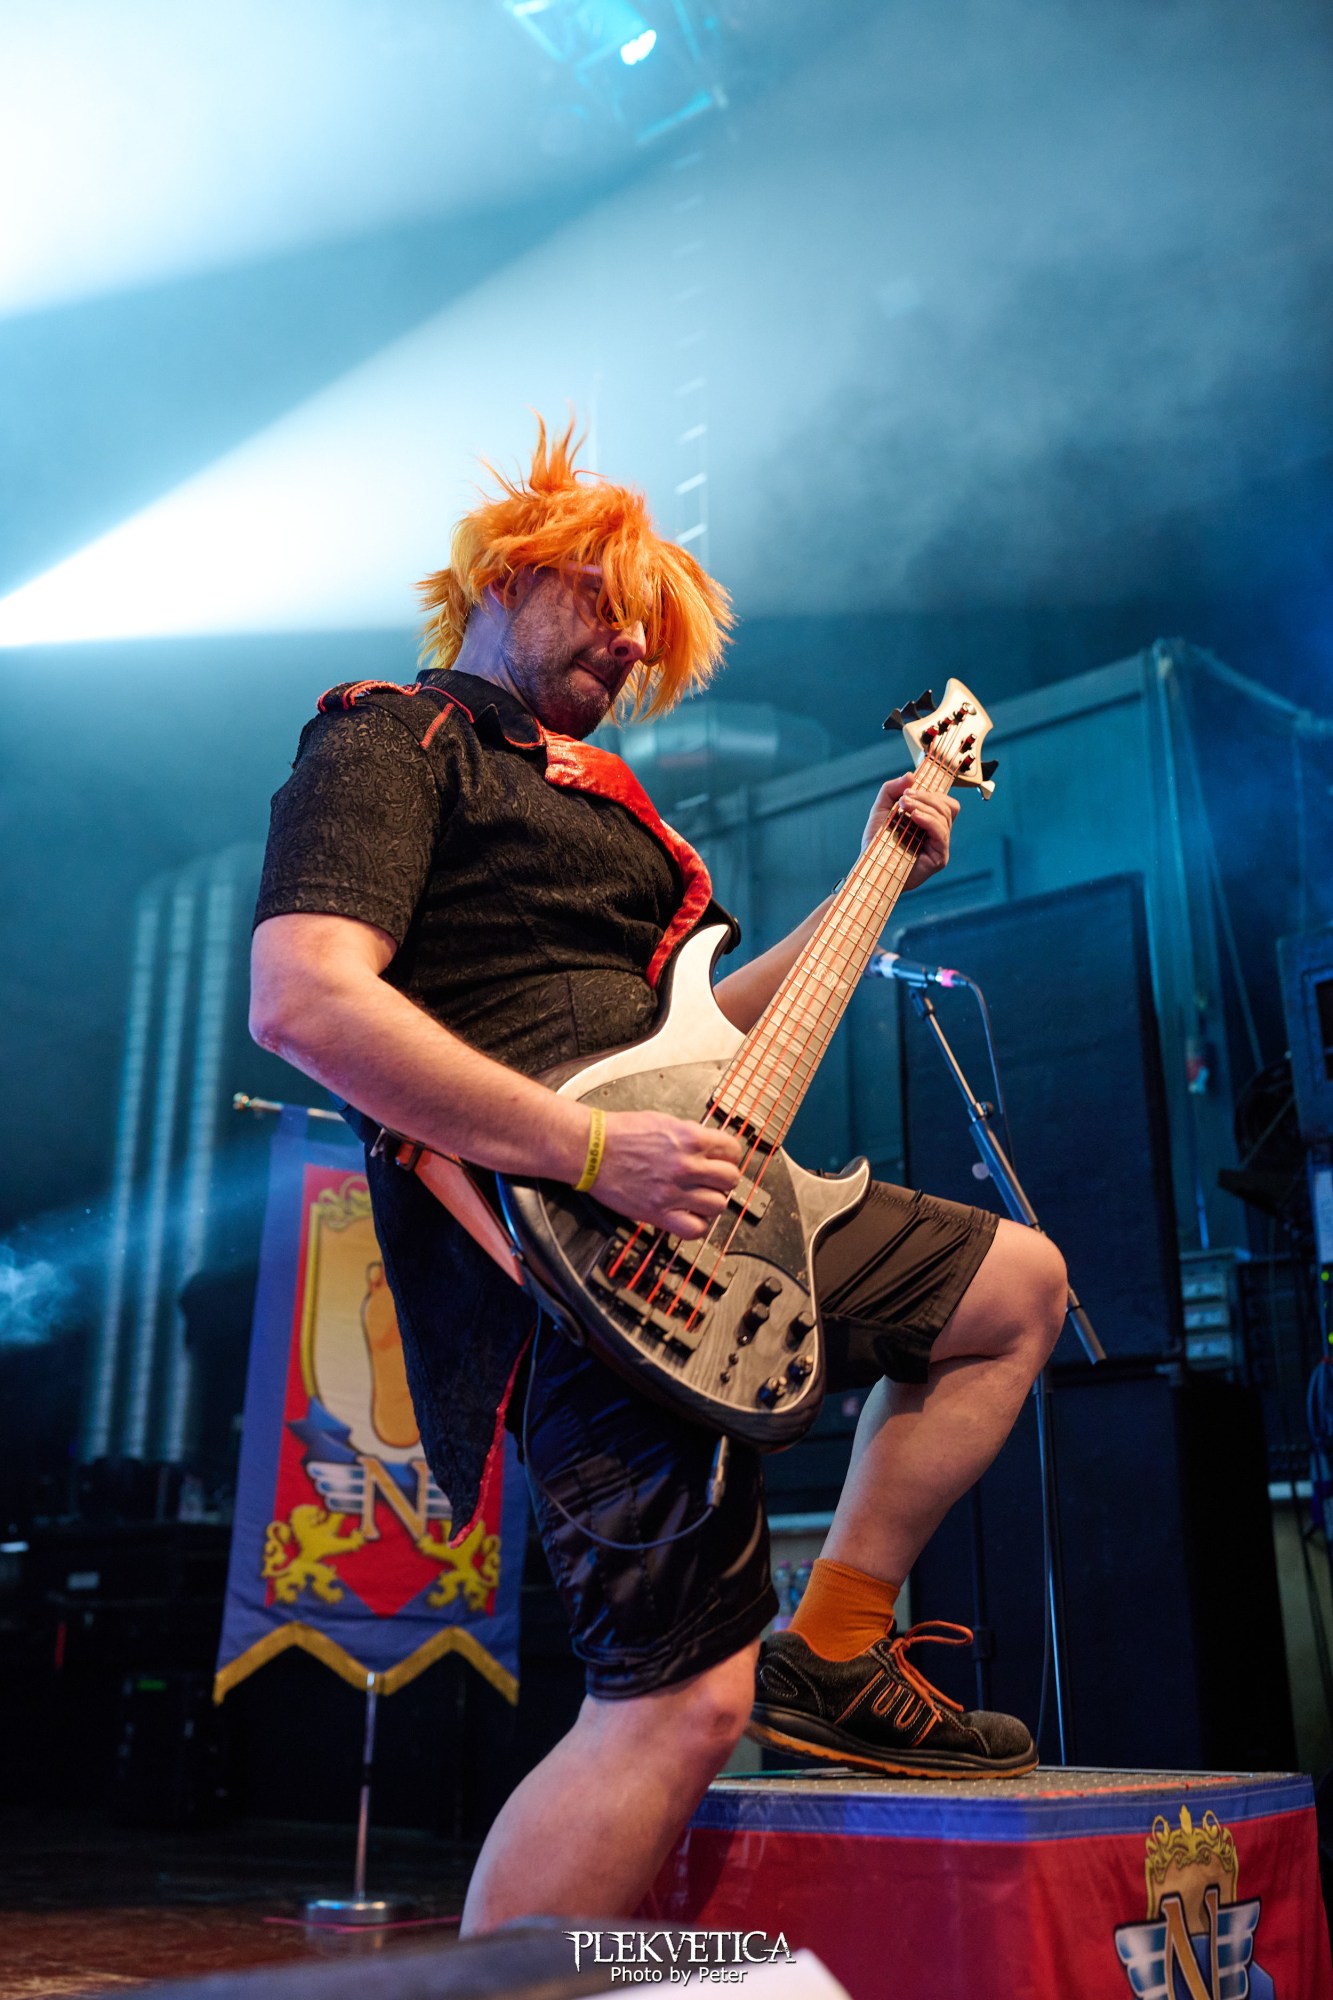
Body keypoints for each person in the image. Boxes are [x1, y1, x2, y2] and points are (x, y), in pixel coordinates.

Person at [249, 419, 1067, 1933]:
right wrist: (587, 1150)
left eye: (649, 635)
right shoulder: (389, 739)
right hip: (575, 1249)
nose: (629, 645)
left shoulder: (597, 805)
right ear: (509, 574)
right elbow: (305, 1003)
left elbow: (700, 1034)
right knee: (679, 1705)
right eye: (606, 604)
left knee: (1014, 1288)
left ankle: (838, 1646)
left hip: (709, 1195)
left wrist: (871, 877)